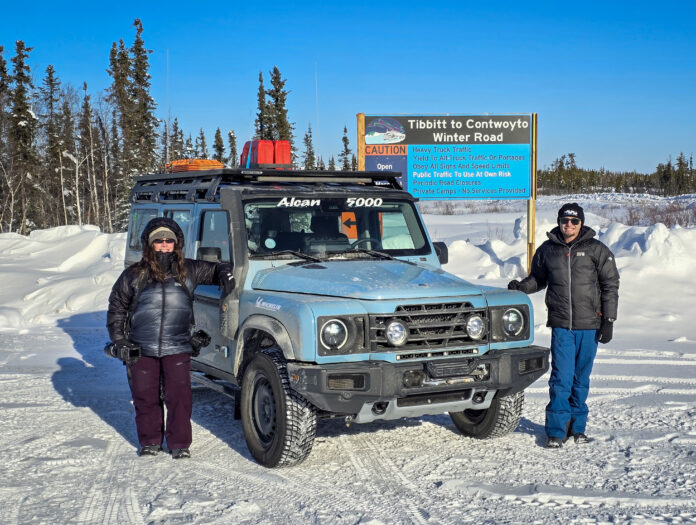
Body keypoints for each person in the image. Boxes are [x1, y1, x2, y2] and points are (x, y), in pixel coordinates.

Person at [106, 217, 235, 458]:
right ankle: (151, 441)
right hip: (141, 348)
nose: (164, 245)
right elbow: (117, 309)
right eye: (159, 241)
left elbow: (217, 269)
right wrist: (120, 341)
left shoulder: (190, 270)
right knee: (146, 397)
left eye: (169, 241)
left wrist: (226, 274)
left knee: (179, 398)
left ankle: (179, 444)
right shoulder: (133, 274)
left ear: (176, 244)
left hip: (177, 346)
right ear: (149, 244)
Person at [508, 203, 619, 449]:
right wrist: (522, 288)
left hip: (590, 324)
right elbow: (538, 278)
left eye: (574, 221)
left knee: (581, 379)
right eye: (565, 220)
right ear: (559, 221)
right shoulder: (548, 250)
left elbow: (611, 285)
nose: (569, 225)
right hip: (561, 325)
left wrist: (608, 320)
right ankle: (556, 431)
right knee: (561, 379)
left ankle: (577, 428)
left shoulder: (597, 250)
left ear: (581, 223)